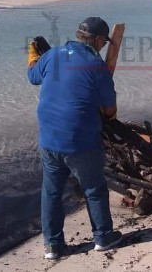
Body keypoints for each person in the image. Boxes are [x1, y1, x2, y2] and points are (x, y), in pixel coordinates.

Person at [27, 16, 123, 260]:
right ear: (99, 40)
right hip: (80, 141)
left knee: (51, 193)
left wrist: (34, 56)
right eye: (103, 43)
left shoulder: (53, 55)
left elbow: (32, 76)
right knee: (94, 188)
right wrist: (102, 114)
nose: (103, 47)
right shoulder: (96, 64)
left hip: (48, 138)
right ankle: (103, 237)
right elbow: (110, 109)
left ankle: (53, 246)